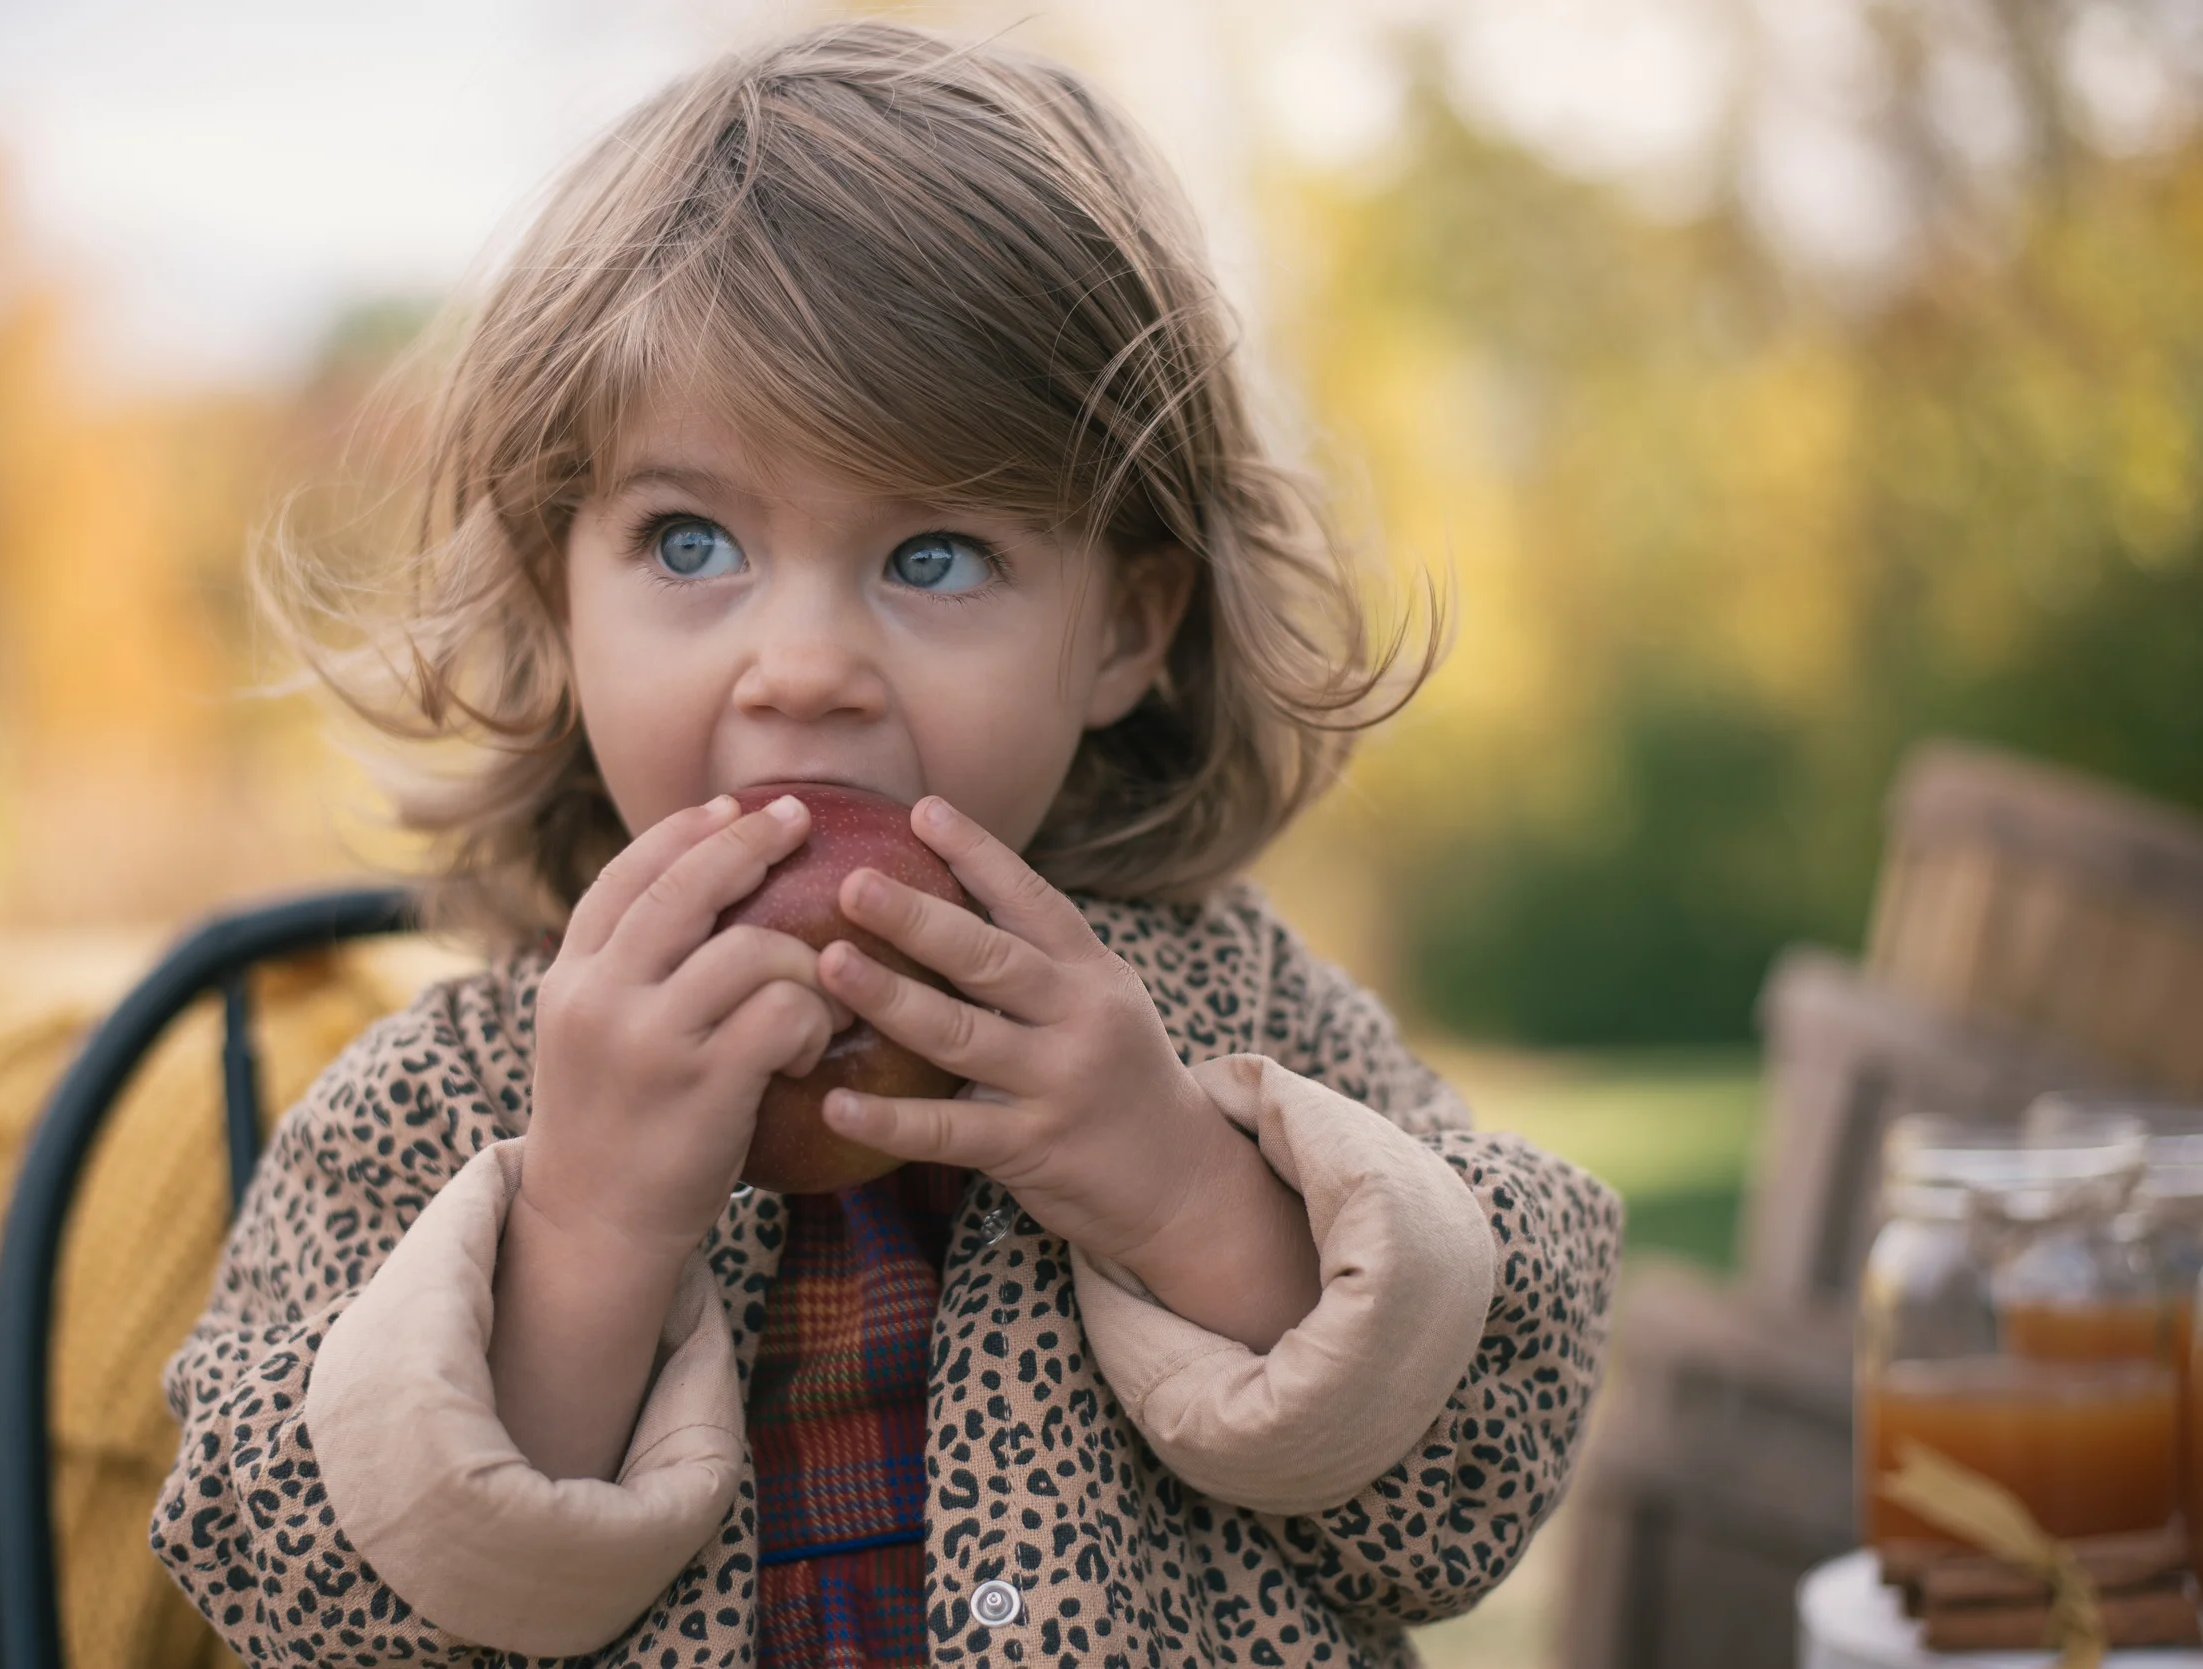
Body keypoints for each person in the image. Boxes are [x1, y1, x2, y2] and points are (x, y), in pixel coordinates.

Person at [152, 22, 1621, 1669]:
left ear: (1128, 629)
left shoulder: (1232, 1027)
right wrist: (580, 1241)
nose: (803, 667)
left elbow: (1479, 1477)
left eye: (933, 554)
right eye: (689, 540)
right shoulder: (458, 1096)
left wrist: (1185, 1190)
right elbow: (296, 1594)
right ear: (559, 594)